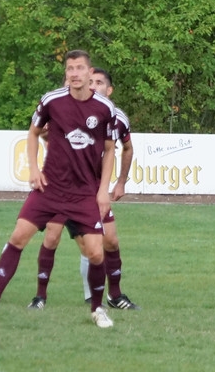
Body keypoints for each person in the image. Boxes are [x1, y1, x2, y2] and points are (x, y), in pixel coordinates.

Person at [0, 50, 119, 328]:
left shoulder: (105, 109)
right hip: (51, 188)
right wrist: (34, 169)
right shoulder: (52, 100)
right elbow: (34, 132)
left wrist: (103, 190)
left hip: (84, 193)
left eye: (79, 68)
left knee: (96, 253)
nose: (74, 73)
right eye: (69, 68)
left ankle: (98, 309)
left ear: (89, 72)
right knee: (18, 236)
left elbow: (110, 150)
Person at [27, 67, 139, 311]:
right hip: (61, 188)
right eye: (92, 81)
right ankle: (40, 296)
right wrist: (45, 137)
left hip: (91, 192)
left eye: (99, 82)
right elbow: (49, 137)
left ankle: (114, 295)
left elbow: (125, 149)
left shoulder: (117, 118)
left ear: (109, 90)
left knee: (110, 241)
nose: (94, 86)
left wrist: (120, 181)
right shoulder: (65, 110)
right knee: (52, 237)